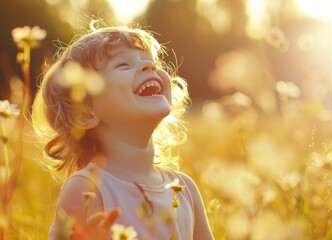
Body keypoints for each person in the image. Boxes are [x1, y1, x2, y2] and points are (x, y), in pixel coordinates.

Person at [32, 22, 214, 240]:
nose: (150, 67)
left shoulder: (184, 189)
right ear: (85, 112)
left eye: (151, 62)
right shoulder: (87, 188)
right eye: (123, 65)